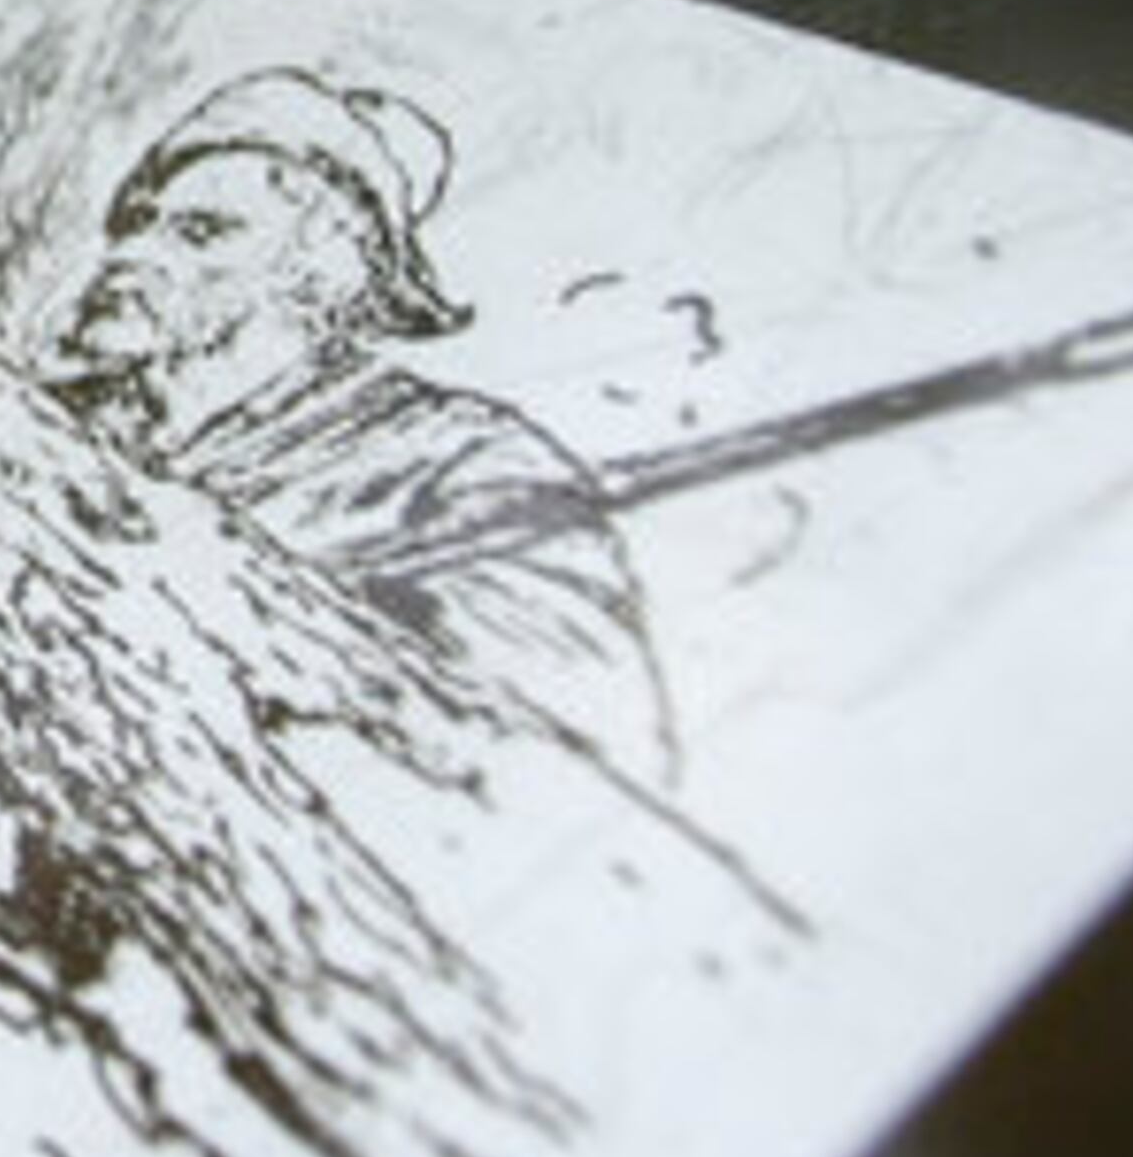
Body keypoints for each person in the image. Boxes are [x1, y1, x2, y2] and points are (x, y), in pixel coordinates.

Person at [37, 67, 667, 766]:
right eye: (136, 224)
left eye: (202, 231)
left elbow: (567, 751)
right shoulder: (43, 421)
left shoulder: (462, 459)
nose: (130, 254)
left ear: (323, 272)